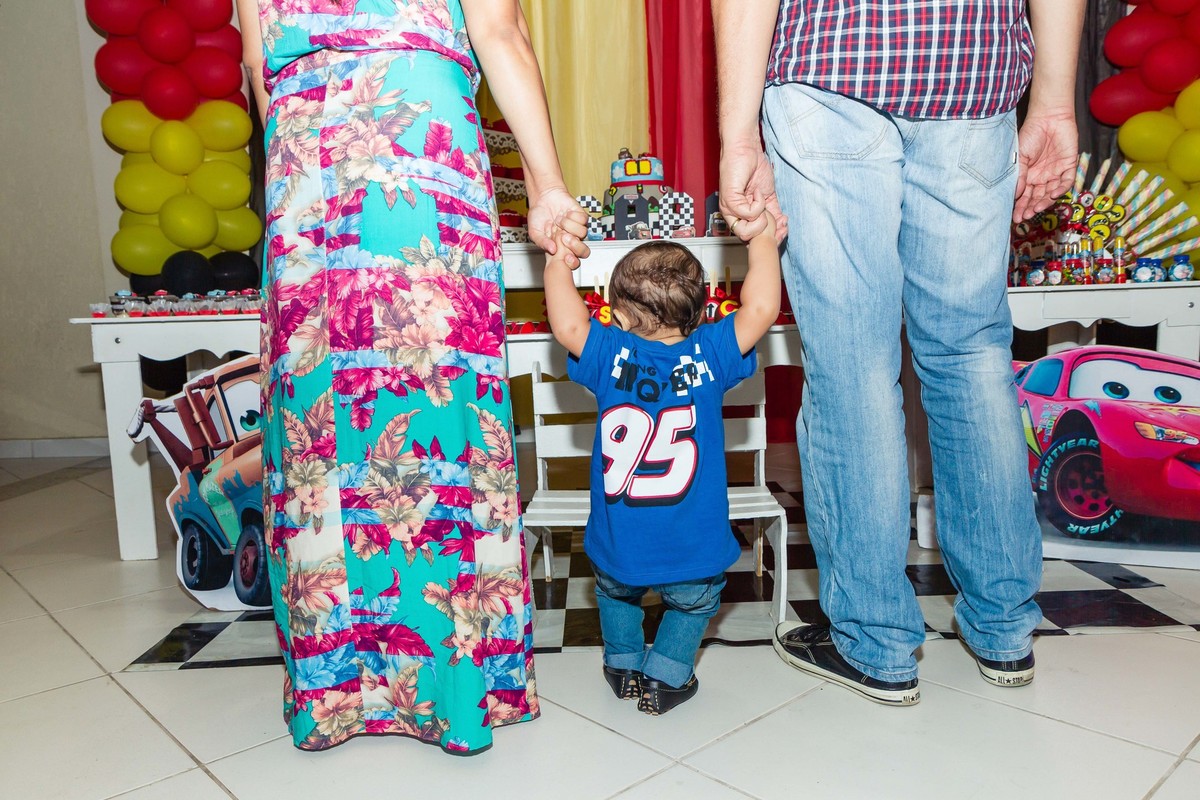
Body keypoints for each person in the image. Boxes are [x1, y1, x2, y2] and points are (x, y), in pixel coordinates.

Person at [236, 0, 591, 753]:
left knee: (316, 423)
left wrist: (294, 166)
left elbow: (260, 69)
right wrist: (548, 184)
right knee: (435, 401)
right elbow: (499, 33)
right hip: (416, 138)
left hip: (304, 161)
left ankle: (337, 692)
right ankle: (460, 681)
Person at [713, 0, 1085, 705]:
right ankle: (1004, 628)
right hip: (971, 67)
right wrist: (1055, 99)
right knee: (972, 353)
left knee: (853, 362)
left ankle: (875, 641)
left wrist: (737, 132)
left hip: (831, 63)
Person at [543, 221, 781, 714]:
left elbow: (567, 326)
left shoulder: (609, 352)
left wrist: (556, 260)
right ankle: (666, 676)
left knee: (614, 593)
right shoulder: (711, 353)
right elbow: (761, 309)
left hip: (620, 536)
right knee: (695, 601)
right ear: (700, 311)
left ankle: (623, 663)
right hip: (691, 539)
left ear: (619, 311)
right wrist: (762, 241)